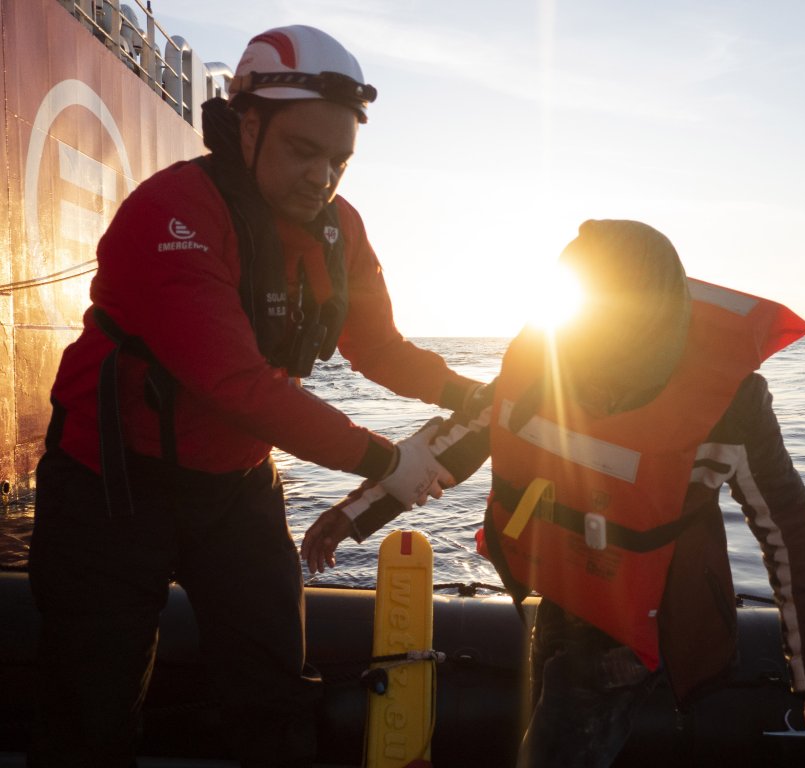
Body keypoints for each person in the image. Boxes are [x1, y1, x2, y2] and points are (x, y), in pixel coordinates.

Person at [28, 25, 482, 768]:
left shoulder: (341, 229)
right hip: (110, 488)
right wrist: (383, 457)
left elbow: (379, 347)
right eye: (304, 151)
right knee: (91, 707)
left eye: (338, 160)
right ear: (247, 124)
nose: (322, 177)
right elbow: (231, 381)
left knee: (273, 691)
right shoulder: (172, 212)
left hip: (237, 488)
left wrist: (471, 388)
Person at [302, 220, 805, 767]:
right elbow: (459, 438)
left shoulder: (733, 405)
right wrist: (357, 512)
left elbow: (788, 532)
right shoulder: (544, 360)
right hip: (556, 586)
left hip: (636, 621)